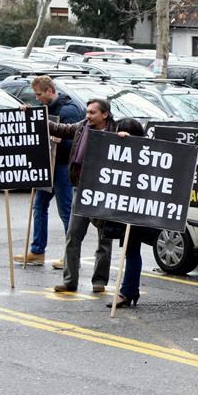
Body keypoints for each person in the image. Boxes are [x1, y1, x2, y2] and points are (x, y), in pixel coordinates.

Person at [14, 76, 84, 269]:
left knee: (66, 211)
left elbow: (75, 140)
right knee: (39, 206)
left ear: (49, 91)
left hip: (61, 166)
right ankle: (37, 251)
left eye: (39, 95)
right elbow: (40, 122)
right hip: (48, 165)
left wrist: (60, 140)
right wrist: (28, 113)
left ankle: (71, 257)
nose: (37, 99)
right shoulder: (49, 107)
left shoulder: (68, 110)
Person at [49, 98, 116, 293]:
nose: (88, 116)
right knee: (73, 235)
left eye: (93, 113)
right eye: (87, 112)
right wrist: (34, 117)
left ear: (105, 114)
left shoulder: (116, 130)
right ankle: (70, 281)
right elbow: (59, 129)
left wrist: (125, 136)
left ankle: (99, 281)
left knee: (104, 238)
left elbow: (140, 138)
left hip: (105, 192)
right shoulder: (82, 126)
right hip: (81, 188)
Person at [108, 118, 161, 308]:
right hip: (131, 207)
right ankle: (130, 290)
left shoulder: (145, 151)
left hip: (136, 208)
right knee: (131, 250)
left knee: (131, 250)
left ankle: (127, 291)